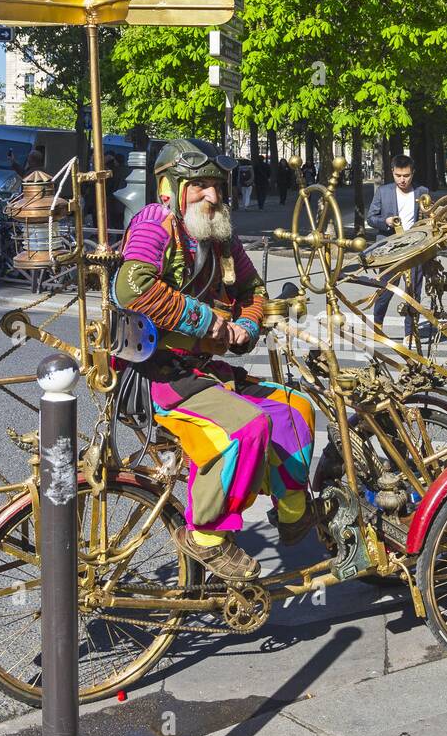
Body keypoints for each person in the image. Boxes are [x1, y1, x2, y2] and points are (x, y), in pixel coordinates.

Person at [112, 138, 316, 582]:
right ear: (169, 187)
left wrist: (247, 325)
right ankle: (204, 533)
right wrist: (208, 323)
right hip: (157, 373)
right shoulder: (155, 224)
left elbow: (254, 290)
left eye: (216, 186)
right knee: (245, 428)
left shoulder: (220, 234)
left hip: (204, 371)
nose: (212, 196)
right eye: (200, 185)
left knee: (296, 409)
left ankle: (292, 511)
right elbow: (132, 289)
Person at [366, 154, 431, 339]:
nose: (402, 180)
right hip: (389, 249)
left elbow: (428, 218)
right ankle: (377, 324)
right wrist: (385, 221)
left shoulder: (422, 191)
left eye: (406, 175)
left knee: (413, 291)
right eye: (398, 175)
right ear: (392, 173)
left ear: (413, 174)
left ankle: (410, 331)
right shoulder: (383, 191)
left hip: (415, 248)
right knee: (385, 288)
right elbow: (370, 218)